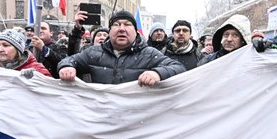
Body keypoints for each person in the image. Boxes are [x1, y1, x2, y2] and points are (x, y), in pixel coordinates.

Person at [58, 10, 186, 86]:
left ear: (136, 32)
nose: (121, 29)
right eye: (116, 25)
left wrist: (157, 73)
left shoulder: (149, 54)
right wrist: (66, 67)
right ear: (110, 31)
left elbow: (179, 68)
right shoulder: (93, 53)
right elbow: (69, 60)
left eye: (127, 25)